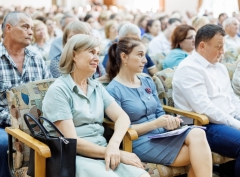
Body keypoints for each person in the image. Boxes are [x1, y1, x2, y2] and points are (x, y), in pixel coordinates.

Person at [42, 34, 149, 177]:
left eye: (98, 53)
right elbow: (72, 142)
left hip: (105, 151)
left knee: (143, 175)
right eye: (91, 52)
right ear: (74, 55)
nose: (97, 58)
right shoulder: (58, 90)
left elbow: (123, 117)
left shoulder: (96, 87)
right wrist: (115, 153)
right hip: (74, 157)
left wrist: (114, 145)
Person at [105, 37, 212, 177]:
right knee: (200, 154)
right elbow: (121, 129)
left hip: (162, 134)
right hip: (137, 141)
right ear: (124, 57)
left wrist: (169, 122)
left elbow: (159, 112)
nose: (145, 60)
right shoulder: (113, 90)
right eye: (140, 55)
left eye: (145, 54)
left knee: (198, 133)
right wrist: (156, 123)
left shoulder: (147, 80)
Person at [0, 11, 51, 177]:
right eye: (25, 27)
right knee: (2, 144)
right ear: (8, 28)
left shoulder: (37, 58)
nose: (31, 32)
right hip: (1, 125)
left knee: (60, 138)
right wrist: (15, 121)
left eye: (32, 27)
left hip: (36, 122)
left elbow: (49, 93)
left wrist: (35, 121)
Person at [172, 24, 240, 177]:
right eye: (219, 46)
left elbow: (231, 98)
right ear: (202, 46)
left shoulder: (220, 67)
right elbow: (205, 109)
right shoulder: (189, 69)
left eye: (223, 46)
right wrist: (236, 123)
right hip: (200, 125)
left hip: (225, 119)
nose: (223, 51)